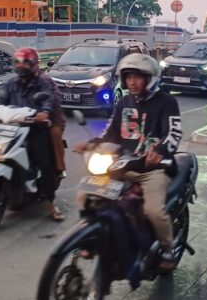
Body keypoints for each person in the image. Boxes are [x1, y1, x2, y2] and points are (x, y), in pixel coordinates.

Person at [73, 53, 183, 271]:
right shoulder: (124, 102)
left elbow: (174, 133)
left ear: (150, 78)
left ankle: (167, 248)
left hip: (153, 169)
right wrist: (91, 144)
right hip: (122, 164)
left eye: (138, 77)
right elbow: (110, 133)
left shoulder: (166, 102)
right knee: (85, 194)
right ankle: (92, 238)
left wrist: (159, 151)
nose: (132, 82)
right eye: (128, 77)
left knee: (153, 211)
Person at [0, 47, 66, 221]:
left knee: (43, 162)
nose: (21, 66)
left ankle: (50, 204)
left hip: (36, 127)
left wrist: (44, 113)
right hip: (14, 127)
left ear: (33, 64)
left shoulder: (43, 82)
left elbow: (48, 99)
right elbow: (1, 99)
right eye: (18, 62)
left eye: (25, 62)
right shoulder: (11, 83)